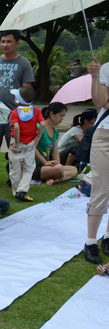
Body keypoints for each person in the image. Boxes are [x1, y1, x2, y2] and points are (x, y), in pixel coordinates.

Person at [0, 30, 34, 166]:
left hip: (14, 115)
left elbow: (26, 89)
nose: (5, 45)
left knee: (15, 150)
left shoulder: (24, 63)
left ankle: (14, 175)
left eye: (9, 42)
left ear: (17, 43)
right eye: (3, 41)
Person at [83, 59, 109, 264]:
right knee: (101, 187)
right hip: (105, 134)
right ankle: (90, 241)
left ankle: (107, 237)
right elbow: (100, 102)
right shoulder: (106, 68)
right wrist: (95, 76)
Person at [8, 86, 44, 202]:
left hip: (16, 143)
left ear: (18, 100)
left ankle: (16, 191)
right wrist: (38, 135)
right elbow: (43, 124)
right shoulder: (36, 111)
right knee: (29, 168)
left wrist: (17, 142)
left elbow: (16, 127)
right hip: (29, 143)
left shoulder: (15, 113)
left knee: (15, 168)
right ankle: (22, 190)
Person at [32, 102, 78, 185]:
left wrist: (58, 165)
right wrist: (45, 162)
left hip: (47, 165)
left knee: (74, 170)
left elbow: (55, 152)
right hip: (35, 166)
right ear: (52, 114)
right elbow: (32, 147)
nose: (62, 119)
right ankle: (52, 176)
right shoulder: (40, 127)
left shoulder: (55, 132)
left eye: (63, 116)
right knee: (59, 169)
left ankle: (53, 180)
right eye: (60, 115)